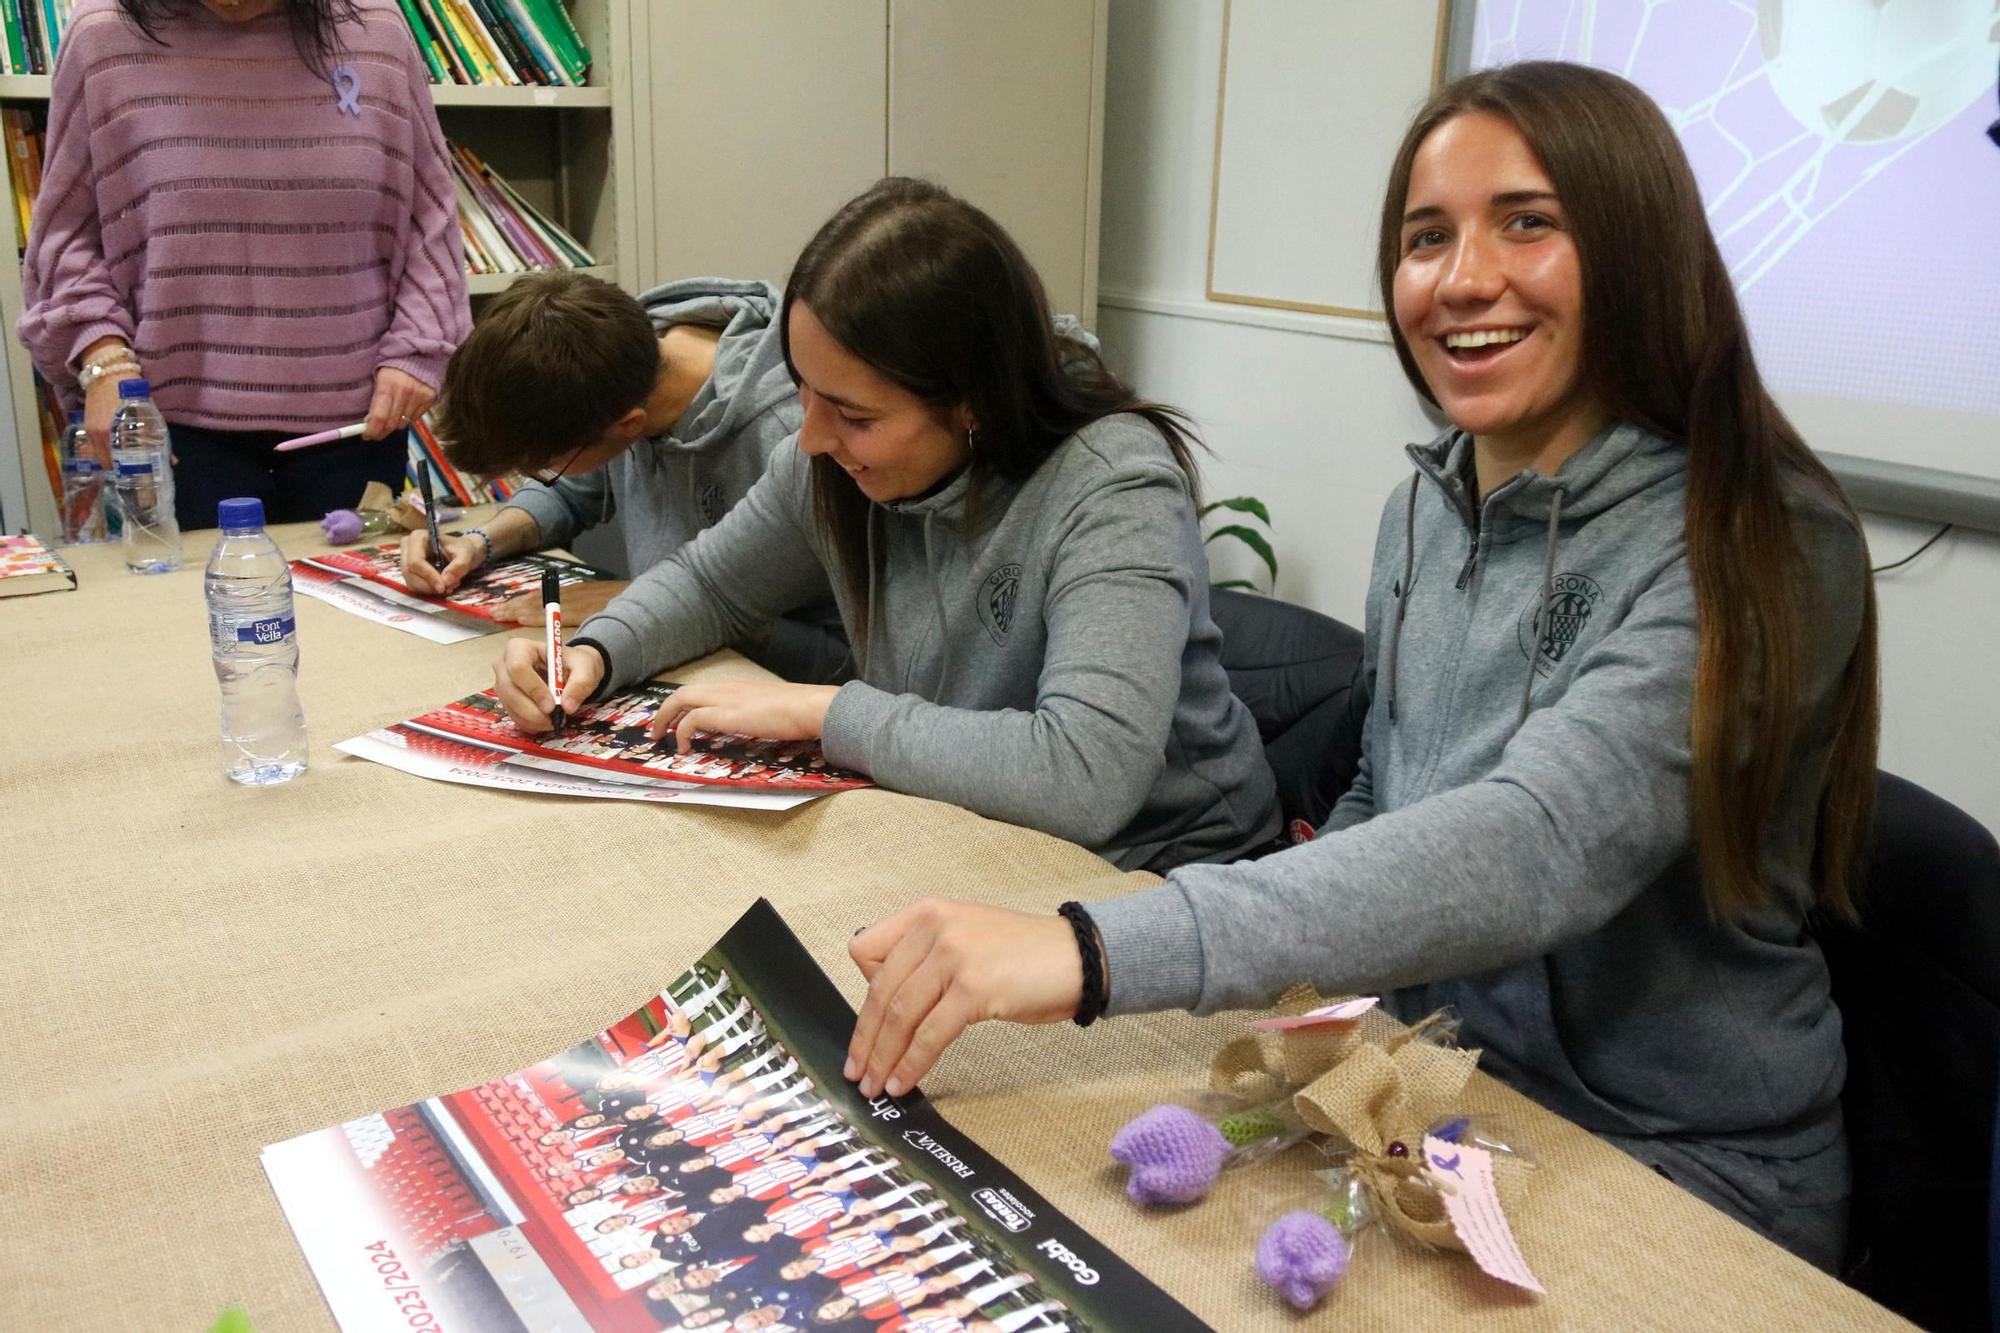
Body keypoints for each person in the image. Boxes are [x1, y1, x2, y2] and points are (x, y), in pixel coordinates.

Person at [839, 63, 1882, 1273]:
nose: (1461, 277)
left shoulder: (1763, 536)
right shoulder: (1420, 513)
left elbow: (1539, 842)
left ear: (1638, 252)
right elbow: (1387, 801)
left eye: (1527, 223)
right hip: (1441, 1080)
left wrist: (1094, 947)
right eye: (1424, 236)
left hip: (1681, 1160)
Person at [491, 178, 1280, 873]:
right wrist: (596, 653)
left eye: (855, 415)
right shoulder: (832, 458)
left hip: (1159, 866)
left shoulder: (1113, 486)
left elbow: (1083, 773)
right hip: (964, 827)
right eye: (803, 391)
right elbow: (711, 583)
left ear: (974, 402)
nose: (810, 438)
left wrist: (828, 713)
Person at [18, 0, 467, 527]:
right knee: (183, 610)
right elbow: (65, 236)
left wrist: (418, 350)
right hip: (172, 436)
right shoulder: (101, 36)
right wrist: (103, 361)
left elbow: (431, 219)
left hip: (357, 427)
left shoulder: (377, 29)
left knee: (357, 607)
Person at [404, 271, 850, 683]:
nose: (542, 477)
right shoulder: (614, 365)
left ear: (631, 427)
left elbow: (848, 653)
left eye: (543, 466)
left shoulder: (794, 437)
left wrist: (645, 601)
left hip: (778, 681)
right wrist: (479, 542)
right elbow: (571, 490)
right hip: (668, 644)